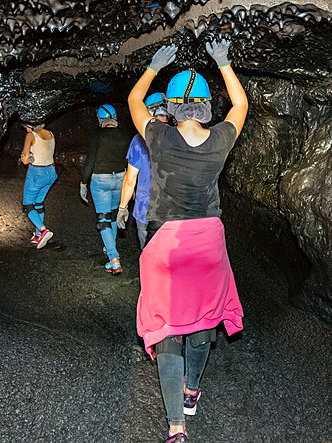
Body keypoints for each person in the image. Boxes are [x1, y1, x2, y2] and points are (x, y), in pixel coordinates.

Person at [128, 38, 247, 443]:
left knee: (168, 330)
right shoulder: (220, 140)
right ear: (206, 107)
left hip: (167, 244)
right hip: (208, 243)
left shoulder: (159, 138)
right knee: (201, 324)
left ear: (175, 109)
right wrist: (223, 62)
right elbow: (241, 106)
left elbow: (135, 100)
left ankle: (177, 428)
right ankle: (192, 389)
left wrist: (152, 68)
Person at [80, 104, 130, 274]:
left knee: (103, 219)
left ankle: (114, 259)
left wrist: (83, 183)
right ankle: (110, 247)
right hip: (120, 178)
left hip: (101, 179)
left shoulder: (97, 135)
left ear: (100, 119)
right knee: (114, 215)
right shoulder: (125, 135)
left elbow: (89, 161)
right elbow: (128, 160)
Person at [116, 93, 168, 248]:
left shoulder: (139, 140)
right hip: (173, 211)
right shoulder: (178, 136)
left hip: (145, 209)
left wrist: (123, 207)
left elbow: (130, 179)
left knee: (148, 254)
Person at [19, 123, 56, 248]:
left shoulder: (31, 135)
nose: (25, 129)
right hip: (51, 173)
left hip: (37, 174)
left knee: (28, 205)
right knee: (39, 203)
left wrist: (27, 157)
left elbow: (25, 160)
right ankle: (37, 236)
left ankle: (42, 230)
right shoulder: (50, 134)